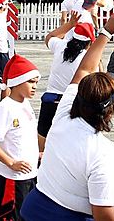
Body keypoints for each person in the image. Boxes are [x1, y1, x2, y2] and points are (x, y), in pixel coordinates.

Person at [20, 7, 114, 221]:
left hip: (32, 210)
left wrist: (106, 31)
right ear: (110, 110)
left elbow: (84, 71)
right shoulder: (103, 153)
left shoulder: (64, 115)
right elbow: (105, 215)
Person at [0, 55, 41, 221]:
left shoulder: (25, 104)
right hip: (12, 178)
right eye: (30, 82)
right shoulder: (5, 108)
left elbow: (24, 136)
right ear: (16, 81)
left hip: (29, 174)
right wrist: (11, 163)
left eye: (36, 82)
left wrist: (36, 154)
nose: (34, 87)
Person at [37, 14, 94, 152]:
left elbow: (49, 37)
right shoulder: (86, 59)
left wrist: (69, 24)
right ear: (89, 43)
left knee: (43, 132)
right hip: (72, 102)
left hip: (50, 99)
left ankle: (41, 160)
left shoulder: (61, 46)